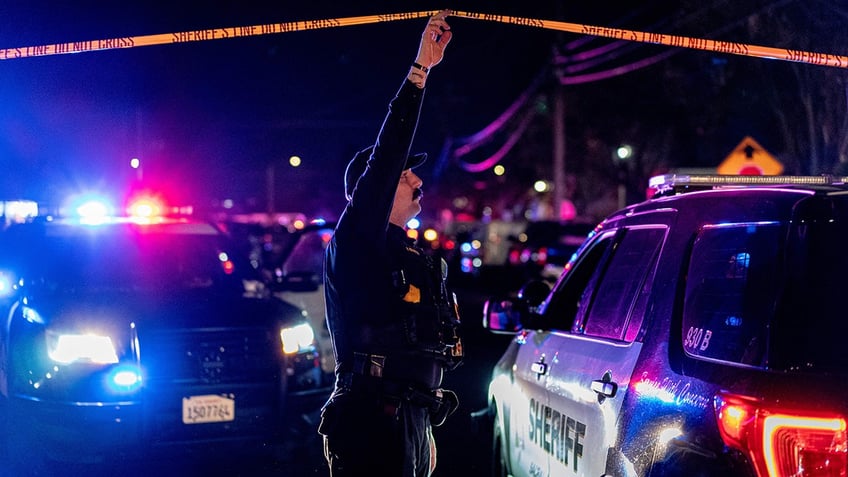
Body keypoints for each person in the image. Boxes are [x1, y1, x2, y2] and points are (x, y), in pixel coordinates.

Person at [318, 10, 463, 477]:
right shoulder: (359, 234)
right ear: (373, 190)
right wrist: (420, 70)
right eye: (404, 175)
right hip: (370, 423)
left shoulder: (408, 249)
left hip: (410, 419)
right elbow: (387, 153)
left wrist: (423, 425)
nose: (417, 179)